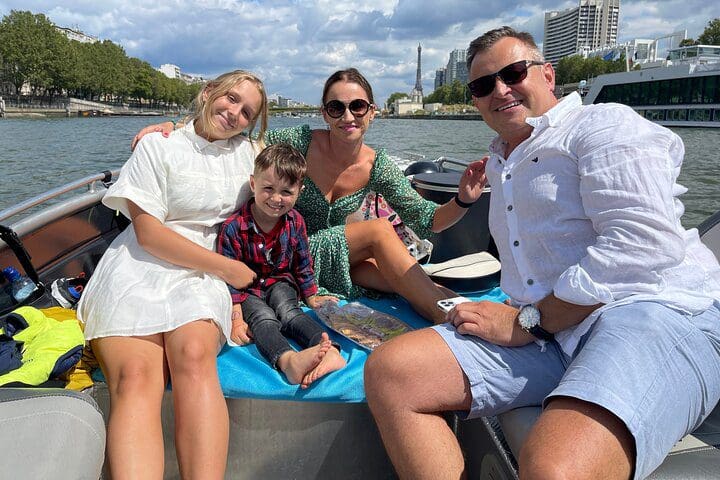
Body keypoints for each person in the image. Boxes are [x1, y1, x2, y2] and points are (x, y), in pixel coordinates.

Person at [364, 26, 720, 480]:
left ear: (548, 75)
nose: (500, 89)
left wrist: (527, 321)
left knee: (554, 470)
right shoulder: (502, 160)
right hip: (553, 331)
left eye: (513, 73)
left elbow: (642, 242)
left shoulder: (603, 124)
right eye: (483, 85)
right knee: (392, 372)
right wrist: (528, 318)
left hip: (651, 311)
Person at [132, 68, 487, 324]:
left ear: (372, 113)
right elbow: (236, 135)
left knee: (394, 275)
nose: (347, 116)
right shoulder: (299, 141)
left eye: (358, 107)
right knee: (380, 231)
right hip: (288, 253)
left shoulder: (377, 166)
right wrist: (178, 127)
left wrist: (465, 200)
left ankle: (451, 304)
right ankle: (451, 319)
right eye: (336, 108)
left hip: (330, 260)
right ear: (325, 114)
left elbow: (428, 219)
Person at [77, 70, 269, 479]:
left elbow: (312, 147)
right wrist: (230, 269)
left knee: (195, 357)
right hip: (139, 264)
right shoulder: (157, 146)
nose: (235, 113)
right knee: (135, 377)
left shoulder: (252, 154)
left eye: (247, 111)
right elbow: (147, 234)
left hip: (200, 274)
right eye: (230, 99)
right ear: (207, 92)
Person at [217, 143, 346, 388]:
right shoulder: (233, 227)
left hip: (280, 281)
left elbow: (302, 261)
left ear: (299, 192)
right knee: (263, 318)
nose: (276, 199)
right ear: (253, 184)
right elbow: (228, 277)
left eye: (286, 192)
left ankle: (328, 351)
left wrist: (311, 296)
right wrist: (236, 318)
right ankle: (288, 361)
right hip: (248, 291)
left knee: (289, 312)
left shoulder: (295, 222)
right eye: (268, 188)